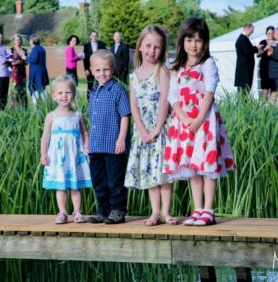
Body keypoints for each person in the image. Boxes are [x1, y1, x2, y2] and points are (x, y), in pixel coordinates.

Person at [163, 17, 235, 226]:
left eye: (198, 40)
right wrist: (185, 119)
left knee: (207, 165)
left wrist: (199, 118)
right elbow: (173, 96)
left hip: (205, 121)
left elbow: (210, 91)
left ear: (205, 43)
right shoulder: (176, 66)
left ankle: (208, 210)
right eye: (189, 39)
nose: (193, 44)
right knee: (193, 167)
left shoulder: (208, 63)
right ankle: (197, 208)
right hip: (184, 122)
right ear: (182, 41)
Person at [124, 25, 177, 226]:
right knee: (149, 172)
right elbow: (134, 106)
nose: (151, 51)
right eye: (148, 46)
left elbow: (165, 100)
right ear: (139, 47)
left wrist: (156, 129)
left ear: (162, 50)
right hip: (143, 131)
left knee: (163, 173)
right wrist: (143, 131)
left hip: (161, 128)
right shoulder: (134, 75)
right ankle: (154, 212)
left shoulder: (161, 70)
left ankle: (166, 211)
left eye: (157, 47)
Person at [41, 75, 92, 224]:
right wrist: (43, 153)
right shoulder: (51, 116)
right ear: (54, 96)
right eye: (60, 93)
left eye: (68, 92)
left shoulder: (78, 115)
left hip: (75, 155)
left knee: (75, 186)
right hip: (58, 156)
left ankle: (77, 211)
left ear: (74, 94)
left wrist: (87, 147)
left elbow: (84, 133)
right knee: (61, 186)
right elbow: (45, 137)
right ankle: (62, 212)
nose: (64, 96)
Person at [88, 49, 130, 224]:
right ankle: (102, 210)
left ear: (112, 69)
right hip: (96, 144)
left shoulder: (118, 89)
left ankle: (118, 210)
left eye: (105, 69)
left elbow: (125, 115)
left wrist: (121, 139)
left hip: (114, 145)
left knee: (114, 181)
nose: (102, 73)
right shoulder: (93, 91)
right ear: (91, 71)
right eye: (97, 70)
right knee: (99, 181)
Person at [234, 23, 259, 92]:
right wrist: (257, 48)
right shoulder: (242, 39)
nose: (252, 32)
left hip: (245, 69)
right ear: (248, 28)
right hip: (244, 70)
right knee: (244, 90)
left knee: (245, 89)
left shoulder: (243, 38)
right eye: (252, 30)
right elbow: (247, 50)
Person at [25, 34, 49, 105]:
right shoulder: (42, 48)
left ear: (32, 41)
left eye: (30, 40)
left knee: (36, 89)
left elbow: (33, 60)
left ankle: (36, 106)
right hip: (41, 72)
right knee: (41, 90)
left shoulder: (35, 49)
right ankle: (44, 106)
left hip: (36, 73)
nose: (29, 42)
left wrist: (26, 58)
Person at [83, 31, 106, 96]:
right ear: (90, 37)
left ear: (97, 37)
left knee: (100, 83)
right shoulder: (86, 46)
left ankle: (100, 97)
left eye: (95, 36)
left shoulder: (102, 45)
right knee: (90, 84)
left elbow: (105, 56)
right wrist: (86, 69)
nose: (94, 37)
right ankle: (89, 99)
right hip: (90, 68)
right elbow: (85, 59)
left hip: (100, 68)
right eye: (93, 36)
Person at [258, 26, 275, 101]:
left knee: (273, 88)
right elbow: (258, 54)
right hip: (264, 67)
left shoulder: (276, 42)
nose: (270, 34)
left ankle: (271, 108)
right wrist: (265, 48)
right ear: (266, 33)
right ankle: (262, 108)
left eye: (272, 33)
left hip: (274, 68)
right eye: (269, 33)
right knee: (265, 88)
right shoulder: (262, 42)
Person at [10, 33, 28, 108]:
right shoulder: (11, 50)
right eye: (16, 39)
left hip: (22, 73)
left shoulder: (24, 50)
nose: (18, 41)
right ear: (13, 41)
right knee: (14, 91)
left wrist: (20, 61)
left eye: (19, 39)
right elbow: (9, 62)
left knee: (23, 90)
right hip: (14, 73)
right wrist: (19, 61)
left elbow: (27, 61)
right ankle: (14, 109)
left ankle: (24, 108)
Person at [267, 27, 278, 103]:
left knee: (275, 91)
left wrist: (271, 54)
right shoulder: (274, 43)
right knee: (273, 91)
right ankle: (271, 110)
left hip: (276, 71)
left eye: (275, 33)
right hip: (273, 72)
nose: (273, 34)